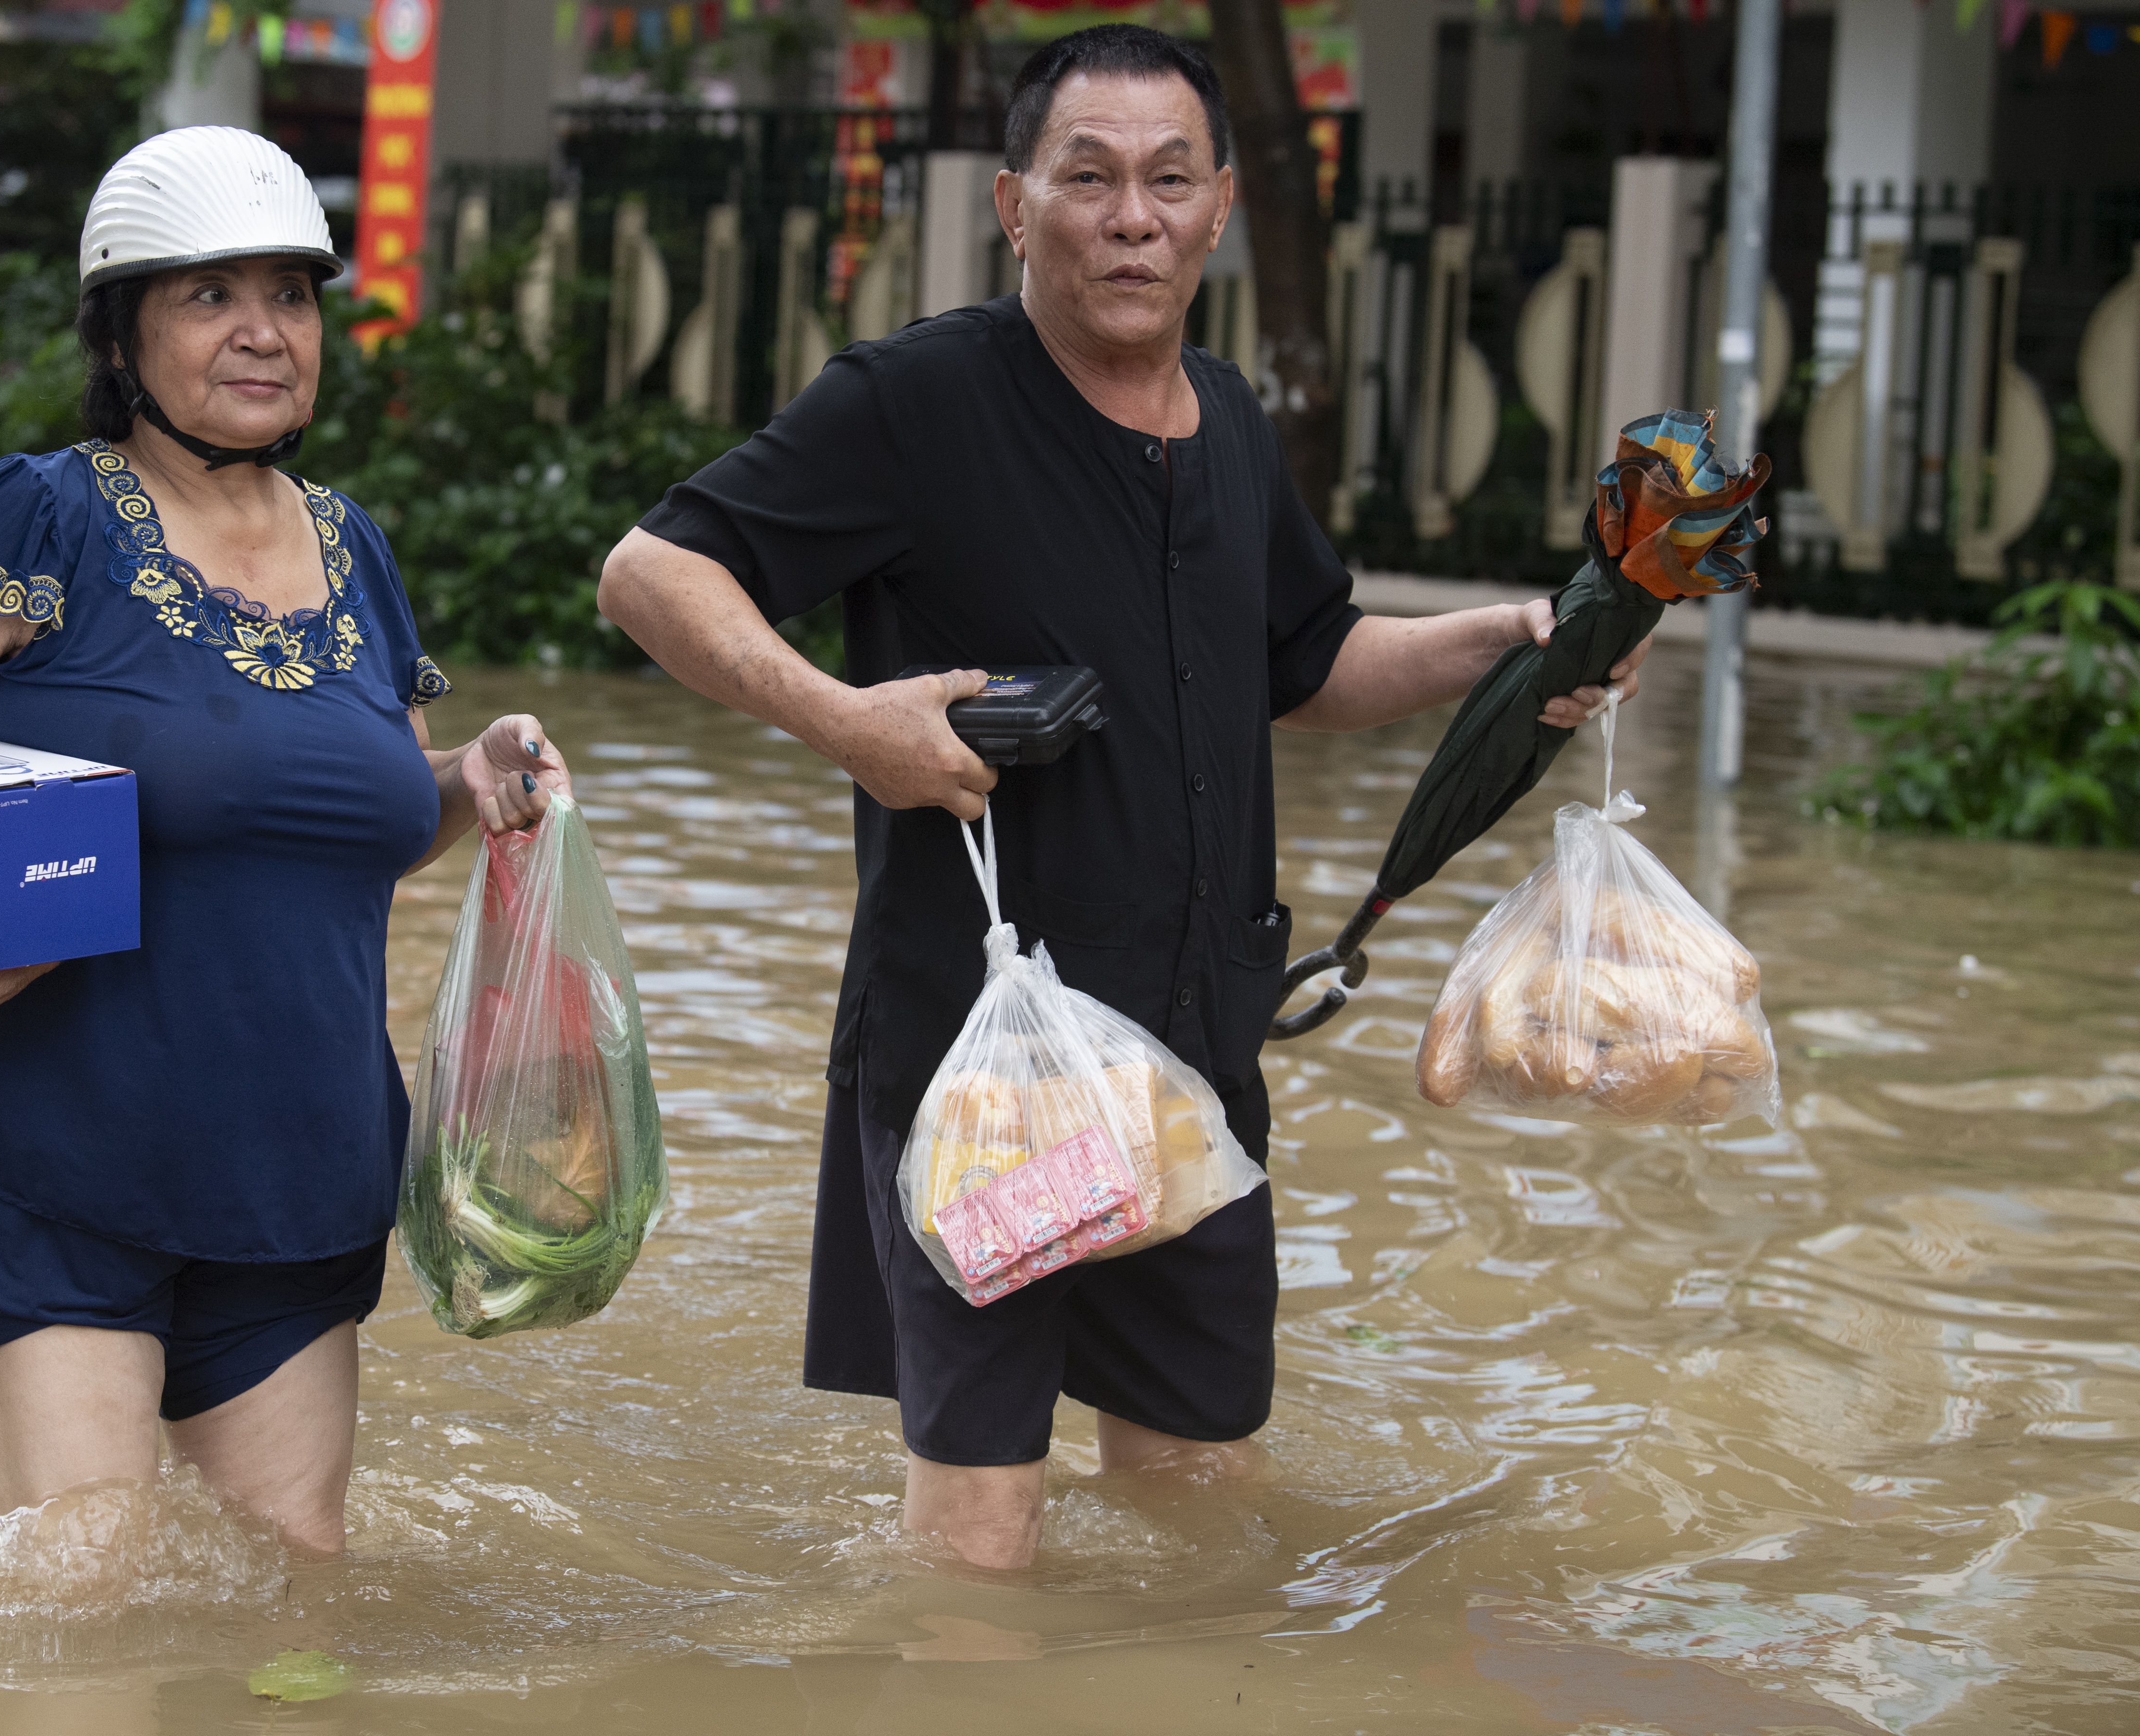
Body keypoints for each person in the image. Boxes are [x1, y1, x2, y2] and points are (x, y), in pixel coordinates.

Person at [598, 26, 1648, 1570]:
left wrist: (1491, 645)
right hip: (989, 1063)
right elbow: (649, 572)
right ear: (1016, 205)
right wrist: (844, 722)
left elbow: (1306, 659)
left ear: (1220, 206)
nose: (1130, 216)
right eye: (1087, 179)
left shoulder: (1224, 419)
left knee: (1201, 1505)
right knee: (980, 1534)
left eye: (1168, 179)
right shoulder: (916, 401)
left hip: (1193, 1050)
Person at [0, 127, 570, 1554]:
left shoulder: (357, 548)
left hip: (299, 1176)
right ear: (123, 329)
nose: (261, 333)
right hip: (53, 1164)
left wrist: (474, 777)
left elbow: (328, 824)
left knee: (295, 1610)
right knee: (75, 1621)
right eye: (208, 297)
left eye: (289, 295)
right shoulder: (41, 518)